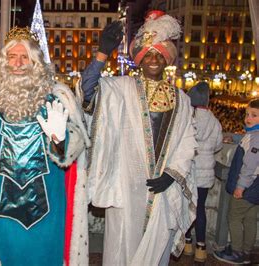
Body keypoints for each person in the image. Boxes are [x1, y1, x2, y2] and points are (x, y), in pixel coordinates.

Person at [0, 27, 91, 265]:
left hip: (48, 200)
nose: (18, 63)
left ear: (35, 62)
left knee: (45, 255)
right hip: (1, 198)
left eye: (25, 57)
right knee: (5, 255)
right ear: (4, 61)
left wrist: (60, 139)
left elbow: (76, 146)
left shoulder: (56, 96)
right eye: (12, 57)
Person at [81, 11, 198, 265]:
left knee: (157, 252)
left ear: (166, 59)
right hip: (125, 186)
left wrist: (172, 174)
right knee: (121, 249)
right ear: (140, 59)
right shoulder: (121, 88)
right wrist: (102, 54)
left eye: (159, 54)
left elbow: (189, 141)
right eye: (148, 54)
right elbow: (87, 89)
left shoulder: (183, 100)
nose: (154, 59)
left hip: (163, 189)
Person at [214, 99, 259, 264]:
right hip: (255, 188)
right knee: (250, 218)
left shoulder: (255, 138)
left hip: (248, 187)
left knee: (234, 217)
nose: (248, 118)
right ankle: (247, 251)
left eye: (254, 115)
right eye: (247, 114)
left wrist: (240, 187)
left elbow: (250, 165)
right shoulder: (252, 134)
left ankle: (237, 252)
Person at [183, 82, 223, 262]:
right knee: (200, 209)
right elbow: (218, 146)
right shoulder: (214, 121)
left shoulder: (187, 117)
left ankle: (186, 242)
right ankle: (201, 248)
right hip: (206, 172)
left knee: (185, 207)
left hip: (189, 170)